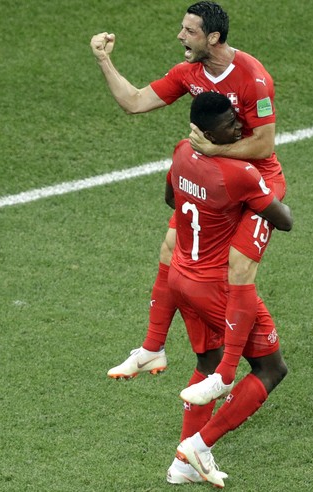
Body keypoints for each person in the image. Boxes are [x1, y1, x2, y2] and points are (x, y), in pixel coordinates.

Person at [90, 1, 286, 381]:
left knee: (238, 265)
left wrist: (216, 150)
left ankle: (227, 370)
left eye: (189, 30)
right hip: (215, 179)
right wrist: (103, 61)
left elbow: (264, 145)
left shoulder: (253, 78)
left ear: (213, 37)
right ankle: (152, 348)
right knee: (169, 244)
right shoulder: (189, 73)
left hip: (258, 180)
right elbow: (134, 102)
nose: (180, 35)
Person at [164, 92, 292, 487]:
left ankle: (181, 467)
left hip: (181, 277)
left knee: (206, 362)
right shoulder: (237, 174)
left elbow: (171, 198)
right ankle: (199, 445)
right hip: (218, 285)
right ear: (207, 131)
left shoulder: (183, 151)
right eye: (228, 124)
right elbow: (284, 220)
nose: (238, 126)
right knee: (271, 368)